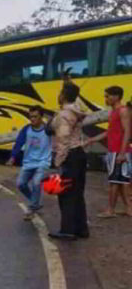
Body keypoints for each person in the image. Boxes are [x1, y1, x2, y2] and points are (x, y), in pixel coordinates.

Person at [48, 81, 88, 240]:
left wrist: (58, 162)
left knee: (65, 194)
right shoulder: (76, 110)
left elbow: (63, 140)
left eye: (60, 92)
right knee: (78, 193)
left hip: (69, 156)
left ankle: (67, 230)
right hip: (80, 154)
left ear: (63, 95)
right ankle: (81, 229)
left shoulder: (64, 115)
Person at [84, 86, 132, 218]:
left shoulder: (123, 111)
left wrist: (122, 153)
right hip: (114, 151)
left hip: (119, 152)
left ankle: (111, 210)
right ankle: (128, 209)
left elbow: (127, 132)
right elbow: (109, 132)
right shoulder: (114, 112)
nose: (106, 99)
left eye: (108, 96)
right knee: (121, 182)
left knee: (115, 182)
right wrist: (92, 140)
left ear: (116, 96)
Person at [7, 106, 52, 221]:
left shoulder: (48, 129)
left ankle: (31, 209)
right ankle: (35, 202)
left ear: (41, 117)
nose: (32, 119)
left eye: (35, 117)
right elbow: (18, 143)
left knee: (37, 182)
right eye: (30, 117)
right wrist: (12, 157)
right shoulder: (26, 129)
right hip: (28, 163)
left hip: (43, 162)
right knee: (20, 184)